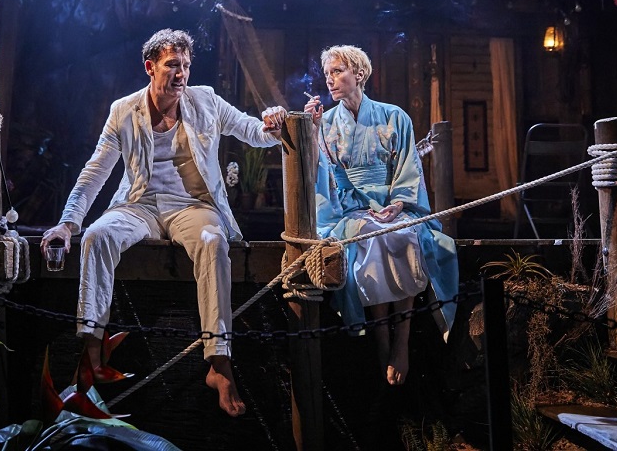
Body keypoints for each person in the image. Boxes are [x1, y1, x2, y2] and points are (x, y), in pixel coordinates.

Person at [41, 28, 287, 417]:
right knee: (96, 236)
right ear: (150, 67)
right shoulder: (123, 110)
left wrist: (273, 123)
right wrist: (67, 224)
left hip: (193, 206)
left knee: (213, 240)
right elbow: (95, 172)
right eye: (172, 64)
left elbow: (252, 130)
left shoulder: (206, 100)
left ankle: (219, 364)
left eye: (186, 65)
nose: (181, 73)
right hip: (139, 204)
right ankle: (92, 352)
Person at [303, 44, 457, 386]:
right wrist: (312, 131)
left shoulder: (394, 117)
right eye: (327, 73)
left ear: (359, 74)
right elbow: (320, 174)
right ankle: (381, 336)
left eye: (337, 71)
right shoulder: (326, 123)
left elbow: (408, 168)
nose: (330, 79)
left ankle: (401, 337)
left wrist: (399, 204)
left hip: (393, 204)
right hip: (350, 208)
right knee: (369, 239)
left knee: (403, 235)